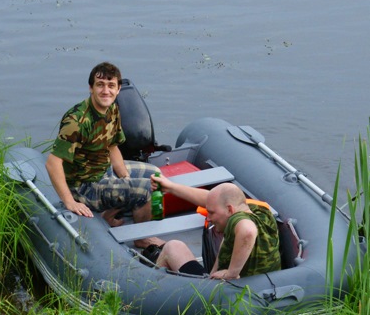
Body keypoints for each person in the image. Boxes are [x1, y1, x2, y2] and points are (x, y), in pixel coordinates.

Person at [45, 62, 157, 226]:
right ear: (91, 88)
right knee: (146, 189)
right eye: (100, 85)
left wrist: (125, 179)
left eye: (111, 85)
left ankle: (110, 214)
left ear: (118, 89)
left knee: (156, 176)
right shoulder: (77, 121)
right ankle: (143, 238)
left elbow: (112, 146)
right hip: (83, 187)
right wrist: (69, 201)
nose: (106, 91)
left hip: (104, 171)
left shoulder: (112, 109)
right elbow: (52, 163)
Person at [139, 178, 280, 280]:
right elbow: (214, 199)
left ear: (230, 209)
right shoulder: (261, 211)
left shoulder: (237, 220)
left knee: (172, 247)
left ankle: (148, 292)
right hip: (262, 287)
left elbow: (248, 231)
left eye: (211, 213)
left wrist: (231, 272)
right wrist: (170, 187)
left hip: (223, 293)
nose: (208, 218)